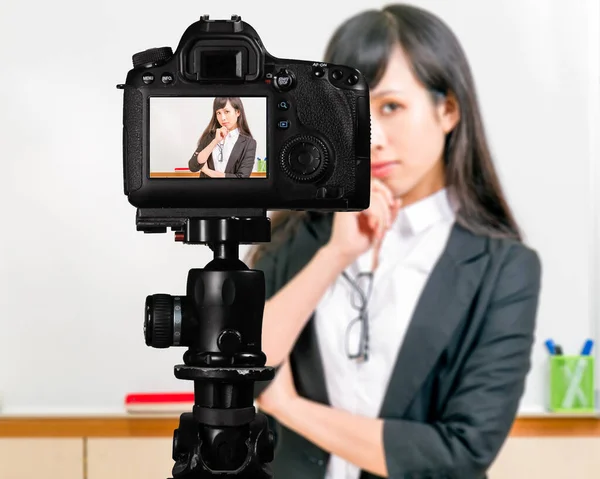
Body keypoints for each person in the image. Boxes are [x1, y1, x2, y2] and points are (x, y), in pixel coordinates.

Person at [248, 4, 542, 479]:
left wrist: (288, 406)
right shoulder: (297, 235)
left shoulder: (503, 268)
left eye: (390, 107)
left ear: (447, 110)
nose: (371, 137)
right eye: (353, 111)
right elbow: (238, 361)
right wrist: (336, 255)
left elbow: (461, 451)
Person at [188, 97, 257, 178]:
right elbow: (193, 166)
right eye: (218, 113)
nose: (223, 118)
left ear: (238, 112)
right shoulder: (210, 137)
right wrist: (215, 141)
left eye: (227, 111)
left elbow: (242, 177)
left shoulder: (249, 143)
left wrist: (208, 171)